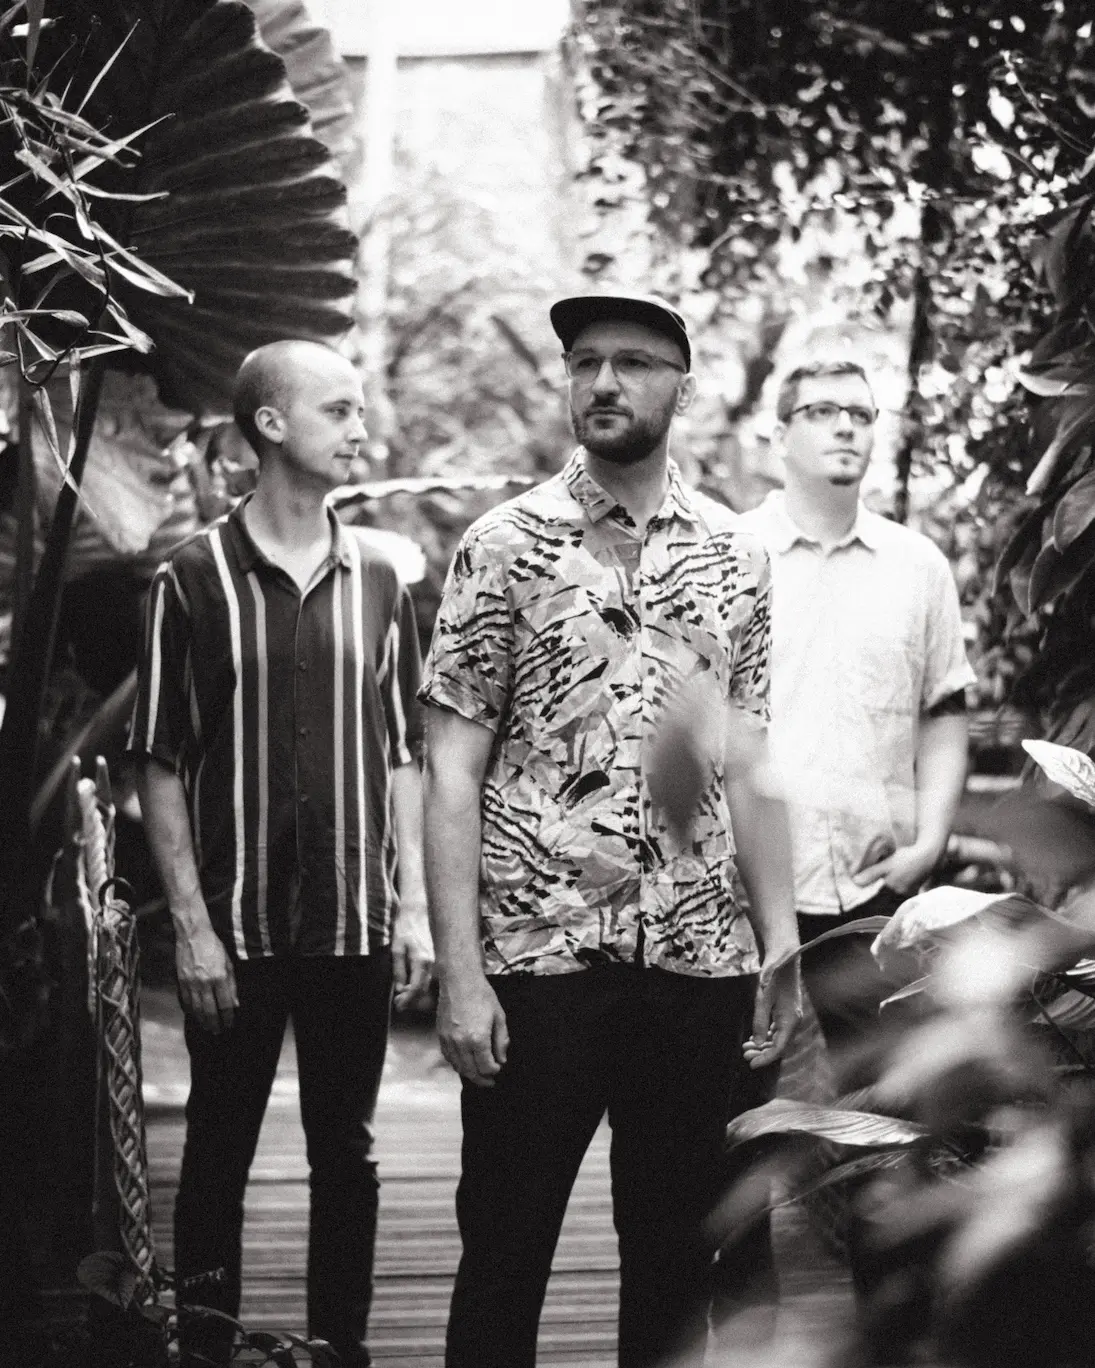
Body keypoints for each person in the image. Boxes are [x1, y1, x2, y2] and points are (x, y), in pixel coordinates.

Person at [419, 292, 801, 1368]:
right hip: (537, 966)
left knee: (677, 1267)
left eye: (632, 362)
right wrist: (459, 975)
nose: (602, 382)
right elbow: (449, 769)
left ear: (683, 385)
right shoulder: (503, 546)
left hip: (697, 964)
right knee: (504, 1257)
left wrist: (779, 938)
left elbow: (750, 759)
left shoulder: (737, 555)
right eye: (584, 360)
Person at [128, 340, 433, 1368]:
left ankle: (339, 1351)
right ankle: (206, 1352)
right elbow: (158, 760)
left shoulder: (383, 575)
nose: (361, 430)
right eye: (339, 410)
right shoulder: (190, 579)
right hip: (237, 925)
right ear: (269, 424)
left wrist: (414, 909)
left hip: (352, 919)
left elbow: (403, 753)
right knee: (217, 1153)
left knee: (346, 1155)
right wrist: (191, 929)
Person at [737, 357, 976, 1089]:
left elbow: (943, 712)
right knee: (736, 1117)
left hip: (876, 891)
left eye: (860, 414)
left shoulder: (917, 565)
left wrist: (929, 841)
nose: (845, 426)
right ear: (779, 435)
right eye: (821, 411)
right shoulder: (728, 555)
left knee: (887, 1112)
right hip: (742, 895)